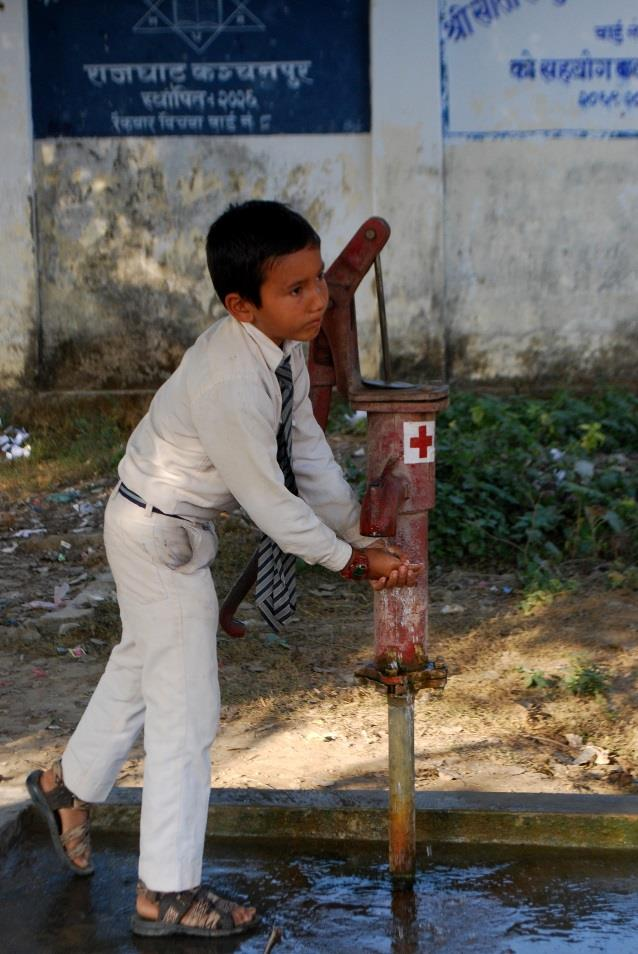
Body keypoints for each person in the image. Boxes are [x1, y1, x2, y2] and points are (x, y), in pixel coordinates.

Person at [26, 200, 421, 940]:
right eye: (296, 289)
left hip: (158, 524)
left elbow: (303, 448)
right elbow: (269, 501)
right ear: (241, 305)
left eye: (317, 280)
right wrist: (347, 562)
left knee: (140, 670)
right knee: (186, 715)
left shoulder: (279, 351)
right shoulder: (228, 382)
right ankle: (165, 894)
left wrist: (350, 527)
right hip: (159, 536)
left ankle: (64, 789)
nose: (319, 301)